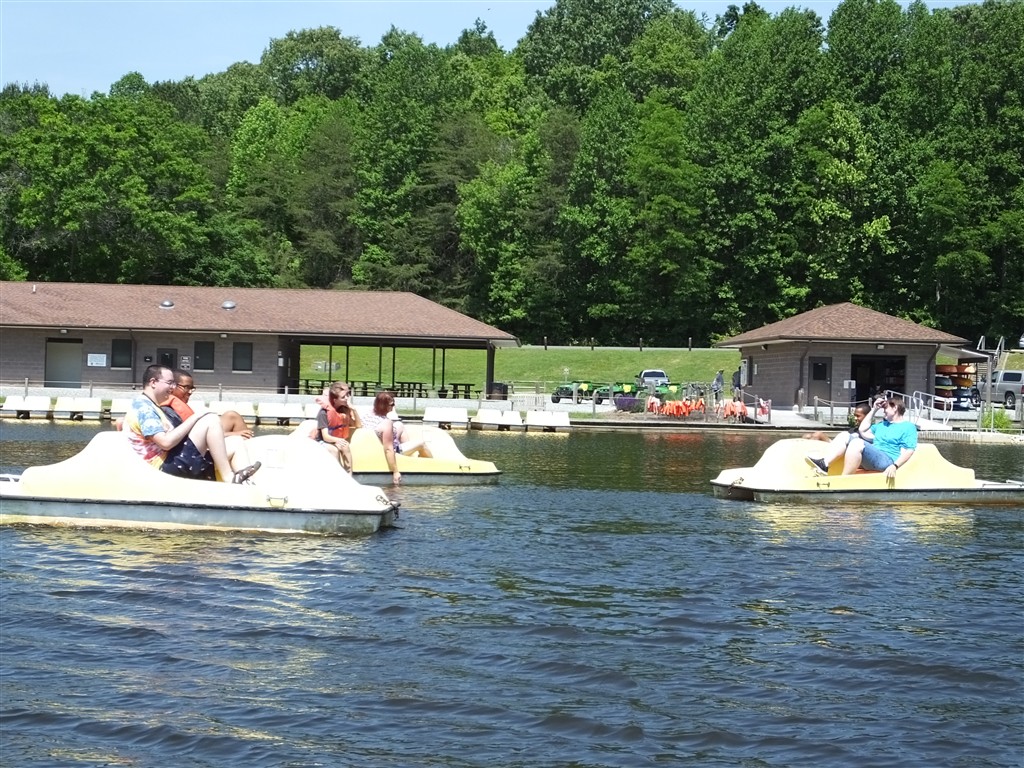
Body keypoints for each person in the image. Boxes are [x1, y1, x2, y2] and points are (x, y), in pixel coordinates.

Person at [122, 364, 260, 483]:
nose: (172, 387)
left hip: (172, 461)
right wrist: (196, 417)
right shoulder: (143, 408)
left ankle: (249, 487)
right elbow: (165, 443)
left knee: (236, 442)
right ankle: (229, 477)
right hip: (160, 470)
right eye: (170, 383)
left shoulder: (151, 406)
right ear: (153, 382)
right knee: (210, 419)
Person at [807, 396, 917, 477]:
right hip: (872, 458)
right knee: (845, 435)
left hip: (887, 461)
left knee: (857, 442)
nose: (883, 411)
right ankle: (824, 464)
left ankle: (844, 479)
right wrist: (874, 409)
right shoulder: (882, 425)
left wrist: (895, 466)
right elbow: (862, 430)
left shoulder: (908, 427)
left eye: (885, 408)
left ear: (895, 408)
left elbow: (909, 450)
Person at [360, 391, 433, 485]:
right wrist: (395, 471)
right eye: (392, 404)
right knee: (421, 443)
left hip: (377, 443)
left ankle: (409, 457)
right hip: (394, 451)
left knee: (399, 425)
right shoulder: (386, 423)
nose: (393, 406)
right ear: (384, 406)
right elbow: (388, 449)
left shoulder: (368, 415)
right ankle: (431, 465)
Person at [166, 370, 253, 439]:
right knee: (242, 435)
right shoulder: (167, 409)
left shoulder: (178, 404)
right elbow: (191, 436)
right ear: (172, 386)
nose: (190, 392)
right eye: (186, 387)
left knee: (232, 416)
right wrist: (233, 434)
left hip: (203, 433)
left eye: (192, 388)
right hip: (195, 444)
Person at [314, 381, 362, 472]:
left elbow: (358, 425)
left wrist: (354, 410)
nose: (347, 398)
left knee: (345, 446)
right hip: (323, 441)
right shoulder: (324, 413)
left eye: (347, 395)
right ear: (335, 400)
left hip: (336, 440)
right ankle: (338, 473)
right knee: (334, 450)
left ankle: (349, 474)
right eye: (343, 397)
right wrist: (338, 440)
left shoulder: (344, 410)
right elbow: (325, 437)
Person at [803, 403, 870, 449]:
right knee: (807, 436)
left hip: (849, 452)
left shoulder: (870, 432)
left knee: (818, 434)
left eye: (858, 416)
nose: (855, 418)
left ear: (867, 416)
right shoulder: (853, 430)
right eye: (854, 415)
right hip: (839, 448)